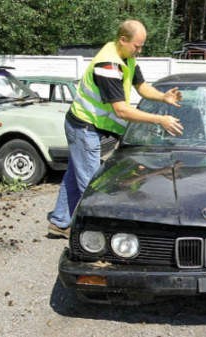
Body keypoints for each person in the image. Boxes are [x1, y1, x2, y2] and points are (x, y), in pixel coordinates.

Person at [47, 19, 183, 239]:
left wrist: (163, 96)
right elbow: (121, 111)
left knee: (74, 175)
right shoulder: (108, 65)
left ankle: (60, 222)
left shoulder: (126, 57)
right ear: (122, 40)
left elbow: (142, 86)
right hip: (83, 127)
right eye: (137, 46)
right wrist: (160, 120)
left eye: (141, 46)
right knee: (93, 185)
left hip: (89, 126)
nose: (139, 50)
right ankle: (99, 235)